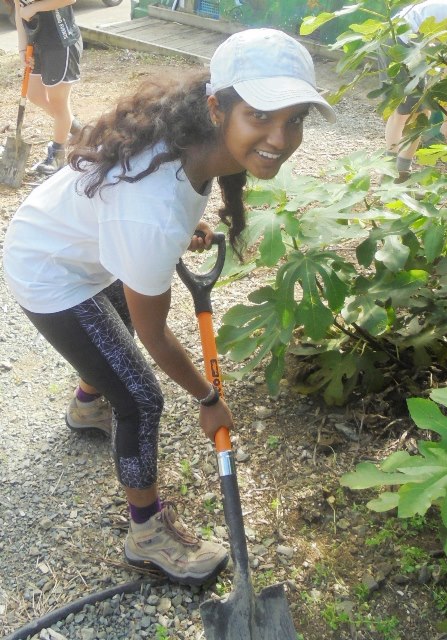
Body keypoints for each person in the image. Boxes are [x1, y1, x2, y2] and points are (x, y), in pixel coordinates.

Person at [3, 28, 336, 585]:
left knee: (115, 340)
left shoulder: (191, 137)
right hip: (49, 272)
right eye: (260, 115)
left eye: (295, 118)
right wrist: (208, 399)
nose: (280, 138)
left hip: (77, 242)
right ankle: (146, 534)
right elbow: (158, 336)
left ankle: (87, 404)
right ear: (217, 108)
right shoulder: (150, 213)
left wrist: (181, 228)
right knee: (140, 396)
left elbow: (156, 207)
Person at [14, 0, 83, 175]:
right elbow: (19, 11)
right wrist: (22, 49)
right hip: (36, 43)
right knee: (35, 95)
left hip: (61, 42)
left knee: (58, 102)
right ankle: (75, 128)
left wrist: (34, 7)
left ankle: (58, 155)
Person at [383, 0, 447, 182]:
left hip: (423, 44)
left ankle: (403, 173)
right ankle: (389, 175)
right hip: (401, 39)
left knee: (423, 112)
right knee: (404, 111)